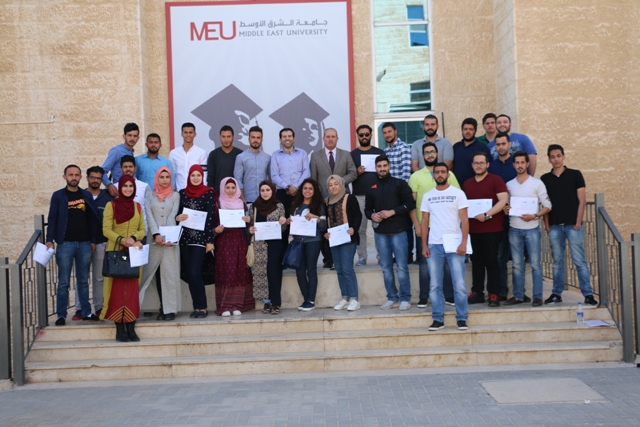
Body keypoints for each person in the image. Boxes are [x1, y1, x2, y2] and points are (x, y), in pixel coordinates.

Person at [541, 144, 598, 306]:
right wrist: (547, 225)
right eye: (553, 157)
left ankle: (588, 294)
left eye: (558, 156)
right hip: (554, 226)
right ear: (549, 159)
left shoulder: (575, 175)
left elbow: (582, 201)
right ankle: (556, 293)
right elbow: (545, 204)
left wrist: (578, 223)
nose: (556, 159)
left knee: (579, 261)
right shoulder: (545, 179)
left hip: (573, 226)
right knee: (557, 262)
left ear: (564, 156)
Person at [46, 165, 100, 326]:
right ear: (65, 177)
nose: (74, 177)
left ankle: (86, 312)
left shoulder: (86, 195)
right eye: (71, 175)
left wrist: (92, 240)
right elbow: (52, 218)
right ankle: (61, 315)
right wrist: (49, 239)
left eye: (77, 175)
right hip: (65, 244)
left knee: (83, 280)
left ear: (81, 177)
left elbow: (91, 219)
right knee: (63, 282)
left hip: (84, 244)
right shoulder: (58, 196)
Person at [408, 143, 460, 308]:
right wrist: (416, 225)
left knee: (447, 263)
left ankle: (449, 295)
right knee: (424, 263)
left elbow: (457, 199)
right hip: (425, 226)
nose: (430, 155)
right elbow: (411, 204)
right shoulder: (416, 176)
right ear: (422, 156)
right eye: (426, 152)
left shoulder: (449, 174)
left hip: (447, 227)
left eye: (432, 152)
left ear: (437, 154)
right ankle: (424, 296)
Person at [420, 163, 470, 331]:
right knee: (435, 285)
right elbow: (424, 221)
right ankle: (438, 319)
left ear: (448, 175)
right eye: (437, 172)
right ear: (433, 175)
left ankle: (461, 318)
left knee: (459, 285)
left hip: (455, 244)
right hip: (434, 245)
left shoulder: (458, 194)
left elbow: (465, 219)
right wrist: (424, 245)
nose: (440, 174)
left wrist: (463, 242)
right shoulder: (427, 196)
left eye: (443, 172)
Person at [365, 155, 415, 311]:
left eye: (384, 166)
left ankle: (405, 298)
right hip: (381, 233)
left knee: (402, 267)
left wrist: (392, 211)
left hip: (399, 231)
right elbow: (367, 209)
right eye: (379, 166)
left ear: (389, 166)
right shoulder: (371, 187)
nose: (382, 169)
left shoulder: (400, 184)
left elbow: (410, 204)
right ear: (375, 168)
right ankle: (392, 297)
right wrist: (372, 215)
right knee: (386, 267)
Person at [101, 175, 146, 342]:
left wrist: (133, 239)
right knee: (117, 290)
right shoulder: (111, 205)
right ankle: (120, 329)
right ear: (120, 188)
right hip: (116, 251)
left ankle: (131, 327)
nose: (128, 189)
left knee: (132, 290)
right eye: (125, 186)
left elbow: (142, 229)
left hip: (134, 252)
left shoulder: (138, 207)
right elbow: (106, 230)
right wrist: (122, 240)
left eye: (130, 186)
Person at [504, 151, 552, 307]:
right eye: (517, 163)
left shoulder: (537, 183)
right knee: (517, 265)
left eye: (522, 162)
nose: (520, 165)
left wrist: (535, 216)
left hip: (532, 229)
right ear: (513, 165)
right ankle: (518, 295)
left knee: (535, 264)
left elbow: (548, 206)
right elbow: (506, 205)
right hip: (514, 229)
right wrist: (506, 209)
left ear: (527, 164)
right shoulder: (509, 185)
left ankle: (537, 296)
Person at [462, 152, 508, 307]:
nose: (478, 165)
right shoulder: (467, 184)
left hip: (492, 229)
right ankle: (477, 293)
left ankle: (494, 294)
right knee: (477, 262)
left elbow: (503, 200)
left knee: (492, 262)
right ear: (472, 165)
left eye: (481, 163)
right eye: (476, 163)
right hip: (473, 230)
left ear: (487, 164)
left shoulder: (496, 180)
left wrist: (487, 215)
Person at [309, 128, 357, 269]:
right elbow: (314, 178)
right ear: (323, 138)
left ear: (337, 138)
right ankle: (328, 259)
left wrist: (338, 182)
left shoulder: (346, 154)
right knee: (326, 228)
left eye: (333, 136)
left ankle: (344, 259)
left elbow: (353, 173)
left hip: (343, 198)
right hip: (324, 199)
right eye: (328, 136)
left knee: (342, 225)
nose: (330, 139)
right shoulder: (315, 156)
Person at [138, 167, 181, 321]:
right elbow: (149, 215)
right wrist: (156, 234)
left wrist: (167, 237)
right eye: (161, 177)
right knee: (152, 274)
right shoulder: (150, 195)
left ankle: (169, 310)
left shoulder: (175, 195)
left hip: (169, 242)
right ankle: (150, 307)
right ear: (157, 178)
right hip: (154, 240)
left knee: (169, 275)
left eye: (167, 177)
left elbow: (172, 215)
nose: (164, 180)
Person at [176, 164, 217, 318]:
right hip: (184, 240)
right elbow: (177, 214)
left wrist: (209, 241)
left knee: (194, 272)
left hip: (200, 240)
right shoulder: (182, 193)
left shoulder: (208, 194)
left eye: (198, 175)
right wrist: (177, 217)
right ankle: (197, 307)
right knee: (190, 274)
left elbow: (210, 219)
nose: (195, 178)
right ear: (189, 176)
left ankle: (203, 307)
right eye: (193, 175)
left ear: (202, 177)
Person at [75, 166, 113, 319]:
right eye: (93, 177)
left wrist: (109, 243)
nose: (96, 180)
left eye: (99, 178)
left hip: (101, 242)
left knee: (99, 278)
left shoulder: (108, 197)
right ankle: (80, 308)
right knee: (81, 278)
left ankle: (99, 307)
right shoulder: (80, 196)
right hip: (82, 243)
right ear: (87, 178)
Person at [214, 177, 255, 316]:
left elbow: (248, 225)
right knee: (227, 271)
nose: (230, 190)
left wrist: (249, 221)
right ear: (222, 188)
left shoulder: (242, 204)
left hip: (240, 240)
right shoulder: (218, 204)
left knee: (240, 271)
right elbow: (212, 224)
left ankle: (238, 304)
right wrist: (216, 230)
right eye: (227, 187)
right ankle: (225, 305)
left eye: (233, 187)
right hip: (224, 241)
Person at [287, 178, 327, 311]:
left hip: (313, 242)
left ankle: (311, 300)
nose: (307, 191)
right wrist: (288, 222)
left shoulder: (319, 206)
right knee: (299, 272)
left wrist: (316, 218)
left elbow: (323, 226)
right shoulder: (295, 205)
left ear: (314, 191)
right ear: (301, 190)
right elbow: (291, 224)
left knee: (311, 270)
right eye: (305, 188)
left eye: (310, 188)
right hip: (298, 242)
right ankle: (306, 299)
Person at [270, 127, 310, 260]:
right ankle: (283, 259)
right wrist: (287, 187)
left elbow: (306, 172)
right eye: (284, 136)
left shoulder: (302, 153)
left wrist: (296, 187)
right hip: (282, 193)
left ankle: (300, 259)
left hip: (300, 193)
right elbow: (274, 175)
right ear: (280, 139)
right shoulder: (275, 155)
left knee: (300, 224)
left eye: (289, 136)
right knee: (283, 226)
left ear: (294, 138)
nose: (287, 138)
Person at [325, 175, 362, 311]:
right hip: (334, 239)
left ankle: (354, 299)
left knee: (347, 268)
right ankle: (345, 297)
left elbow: (358, 215)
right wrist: (326, 233)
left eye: (336, 184)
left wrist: (354, 228)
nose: (333, 187)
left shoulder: (349, 198)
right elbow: (326, 219)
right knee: (339, 269)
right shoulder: (327, 201)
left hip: (348, 238)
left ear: (341, 185)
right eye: (330, 185)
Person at [488, 132, 517, 301]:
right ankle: (501, 291)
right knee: (500, 257)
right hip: (498, 217)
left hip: (518, 216)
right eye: (497, 144)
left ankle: (519, 292)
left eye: (503, 144)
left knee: (518, 257)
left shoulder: (517, 164)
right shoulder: (491, 167)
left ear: (509, 144)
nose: (500, 147)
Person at [249, 180, 286, 314]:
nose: (265, 193)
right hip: (259, 245)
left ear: (272, 191)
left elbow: (283, 228)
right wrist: (250, 229)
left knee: (274, 272)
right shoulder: (254, 206)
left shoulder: (279, 206)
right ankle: (266, 302)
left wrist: (283, 222)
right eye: (262, 190)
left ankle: (275, 303)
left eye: (267, 190)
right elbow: (251, 224)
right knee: (261, 273)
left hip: (274, 244)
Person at [350, 124, 384, 266]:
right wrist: (357, 172)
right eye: (361, 135)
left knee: (379, 228)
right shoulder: (352, 154)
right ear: (358, 136)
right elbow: (349, 175)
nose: (364, 137)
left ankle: (382, 257)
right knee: (360, 229)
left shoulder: (379, 152)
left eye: (366, 134)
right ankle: (362, 257)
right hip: (359, 196)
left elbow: (385, 172)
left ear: (371, 135)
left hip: (378, 195)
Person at [234, 126, 271, 204]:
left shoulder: (268, 158)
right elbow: (238, 179)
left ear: (262, 140)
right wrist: (242, 198)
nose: (255, 140)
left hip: (265, 199)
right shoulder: (241, 157)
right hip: (247, 199)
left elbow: (271, 179)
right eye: (253, 137)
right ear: (249, 139)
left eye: (258, 138)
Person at [102, 122, 140, 197]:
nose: (132, 138)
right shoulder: (116, 151)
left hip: (131, 192)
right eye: (129, 135)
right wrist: (109, 185)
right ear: (124, 136)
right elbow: (102, 171)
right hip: (118, 192)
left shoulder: (131, 152)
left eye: (135, 136)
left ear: (138, 138)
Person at [452, 118, 491, 185]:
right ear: (462, 130)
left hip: (476, 186)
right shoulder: (456, 147)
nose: (468, 131)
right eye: (465, 129)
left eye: (471, 129)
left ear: (475, 131)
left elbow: (488, 168)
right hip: (457, 186)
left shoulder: (482, 148)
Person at [114, 155, 150, 228]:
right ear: (121, 169)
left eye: (130, 166)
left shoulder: (144, 186)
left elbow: (149, 210)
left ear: (135, 168)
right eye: (125, 167)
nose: (128, 169)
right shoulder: (114, 187)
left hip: (140, 230)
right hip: (121, 230)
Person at [170, 123, 208, 191]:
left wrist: (203, 191)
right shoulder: (173, 153)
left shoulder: (201, 153)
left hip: (197, 192)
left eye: (190, 132)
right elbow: (172, 174)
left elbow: (204, 174)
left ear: (195, 134)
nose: (188, 135)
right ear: (181, 134)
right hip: (179, 191)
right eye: (185, 132)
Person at [206, 125, 243, 193]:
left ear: (233, 137)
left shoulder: (240, 154)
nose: (226, 140)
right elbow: (210, 178)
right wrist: (212, 195)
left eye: (228, 136)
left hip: (235, 194)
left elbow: (243, 177)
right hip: (218, 194)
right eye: (223, 136)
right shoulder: (213, 154)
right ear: (220, 137)